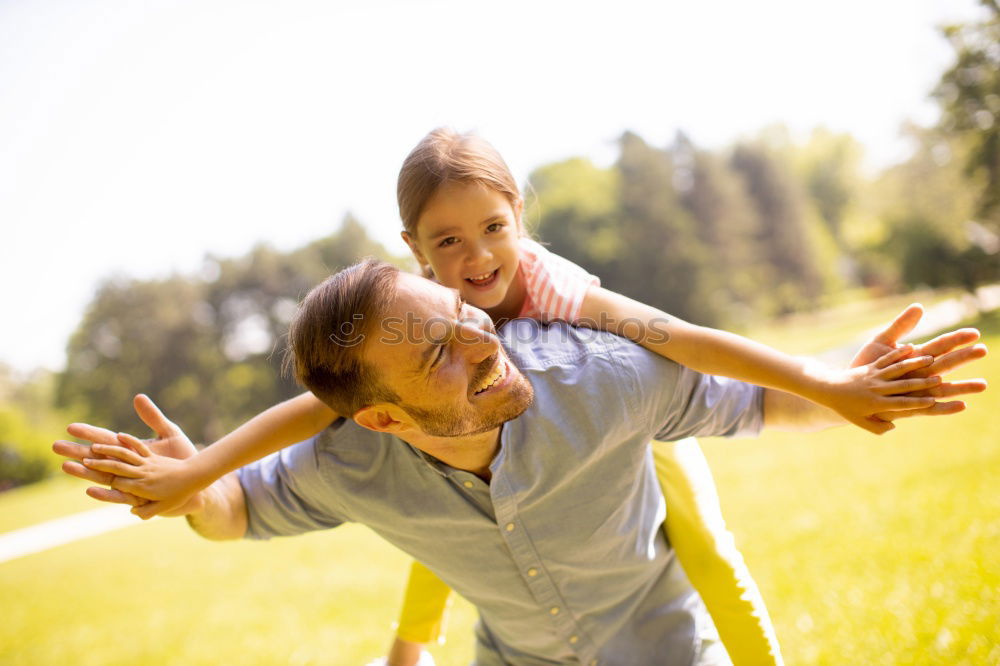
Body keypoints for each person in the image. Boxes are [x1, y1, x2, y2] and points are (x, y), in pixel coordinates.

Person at [59, 128, 986, 666]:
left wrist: (838, 384)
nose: (479, 319)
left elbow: (719, 374)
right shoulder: (361, 440)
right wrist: (198, 482)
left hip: (654, 625)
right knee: (433, 510)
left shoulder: (589, 355)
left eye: (493, 232)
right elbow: (252, 491)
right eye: (447, 259)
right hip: (509, 637)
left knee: (701, 535)